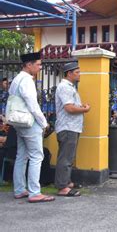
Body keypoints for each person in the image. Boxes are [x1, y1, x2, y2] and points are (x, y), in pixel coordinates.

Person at [10, 52, 54, 203]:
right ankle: (34, 192)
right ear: (29, 65)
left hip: (18, 122)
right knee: (36, 156)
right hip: (29, 122)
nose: (40, 67)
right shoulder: (27, 81)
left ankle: (20, 189)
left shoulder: (16, 79)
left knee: (21, 156)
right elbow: (33, 105)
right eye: (38, 64)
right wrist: (44, 122)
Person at [54, 62, 90, 197]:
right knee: (65, 158)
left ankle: (66, 182)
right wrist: (84, 109)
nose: (79, 74)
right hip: (67, 127)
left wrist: (80, 106)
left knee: (68, 156)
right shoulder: (65, 87)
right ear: (69, 73)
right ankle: (62, 187)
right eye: (77, 72)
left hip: (71, 127)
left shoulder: (69, 87)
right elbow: (69, 108)